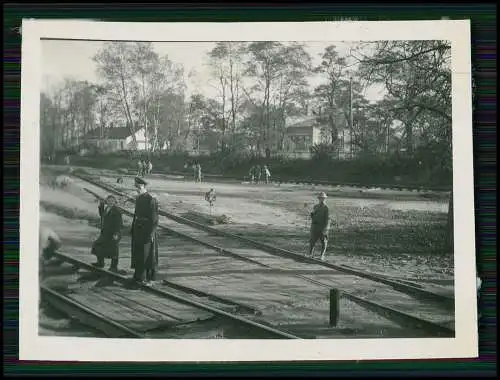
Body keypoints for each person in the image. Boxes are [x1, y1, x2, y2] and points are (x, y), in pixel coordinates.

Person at [130, 177, 159, 285]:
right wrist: (132, 229)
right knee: (137, 252)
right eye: (135, 187)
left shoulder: (151, 199)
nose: (137, 189)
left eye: (138, 187)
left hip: (147, 230)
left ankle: (147, 277)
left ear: (143, 187)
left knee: (147, 254)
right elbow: (136, 215)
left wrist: (151, 233)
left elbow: (155, 220)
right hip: (138, 229)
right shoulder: (138, 198)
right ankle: (138, 275)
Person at [90, 195, 123, 272]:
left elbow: (119, 223)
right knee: (98, 245)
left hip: (114, 233)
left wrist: (116, 233)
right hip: (105, 232)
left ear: (115, 202)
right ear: (106, 201)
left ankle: (114, 267)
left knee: (114, 250)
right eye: (109, 200)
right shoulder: (107, 208)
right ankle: (100, 263)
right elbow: (102, 215)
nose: (110, 202)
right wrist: (101, 205)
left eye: (112, 201)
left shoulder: (117, 210)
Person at [308, 192, 330, 261]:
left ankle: (322, 255)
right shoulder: (315, 206)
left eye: (323, 198)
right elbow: (312, 216)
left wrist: (326, 228)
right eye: (320, 198)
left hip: (322, 227)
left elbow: (328, 219)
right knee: (312, 241)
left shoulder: (326, 208)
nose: (322, 199)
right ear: (318, 199)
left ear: (325, 199)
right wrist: (312, 214)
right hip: (315, 226)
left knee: (323, 242)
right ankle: (311, 254)